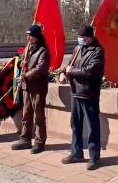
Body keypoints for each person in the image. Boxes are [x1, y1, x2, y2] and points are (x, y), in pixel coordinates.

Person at [59, 25, 104, 171]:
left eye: (83, 37)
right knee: (75, 125)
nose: (80, 39)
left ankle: (94, 157)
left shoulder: (97, 51)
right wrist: (63, 73)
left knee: (92, 127)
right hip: (75, 92)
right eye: (79, 37)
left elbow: (90, 71)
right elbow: (69, 64)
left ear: (90, 38)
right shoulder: (78, 49)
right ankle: (76, 152)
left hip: (89, 94)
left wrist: (71, 71)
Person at [11, 25, 50, 154]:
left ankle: (39, 142)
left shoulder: (43, 51)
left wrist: (25, 76)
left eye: (31, 35)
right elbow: (23, 62)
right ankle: (25, 139)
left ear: (37, 36)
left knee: (38, 116)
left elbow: (40, 69)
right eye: (27, 35)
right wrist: (21, 63)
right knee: (26, 114)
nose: (28, 38)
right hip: (27, 87)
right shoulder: (28, 48)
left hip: (38, 87)